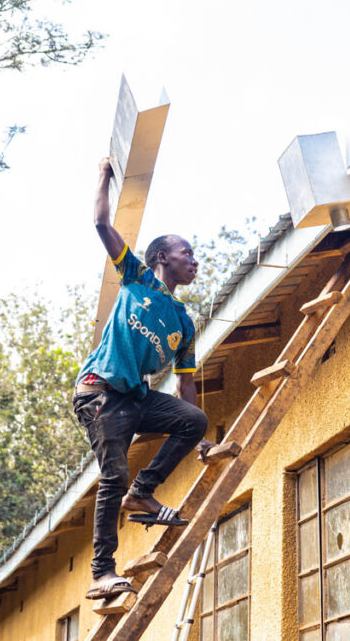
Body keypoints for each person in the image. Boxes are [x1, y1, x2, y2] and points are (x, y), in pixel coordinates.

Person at [74, 157, 211, 600]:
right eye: (186, 252)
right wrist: (104, 177)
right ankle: (100, 573)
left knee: (193, 419)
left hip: (136, 399)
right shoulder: (135, 277)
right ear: (160, 258)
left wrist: (200, 435)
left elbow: (185, 387)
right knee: (112, 476)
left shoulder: (184, 324)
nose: (194, 260)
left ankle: (143, 495)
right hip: (100, 392)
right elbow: (100, 223)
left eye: (194, 255)